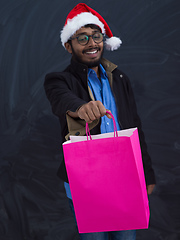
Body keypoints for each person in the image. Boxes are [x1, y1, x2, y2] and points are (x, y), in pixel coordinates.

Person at [44, 3, 156, 240]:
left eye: (96, 36)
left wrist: (147, 173)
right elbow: (61, 100)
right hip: (86, 182)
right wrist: (81, 107)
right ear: (68, 46)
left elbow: (135, 126)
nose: (92, 43)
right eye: (82, 38)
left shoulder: (120, 78)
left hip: (126, 178)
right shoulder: (58, 80)